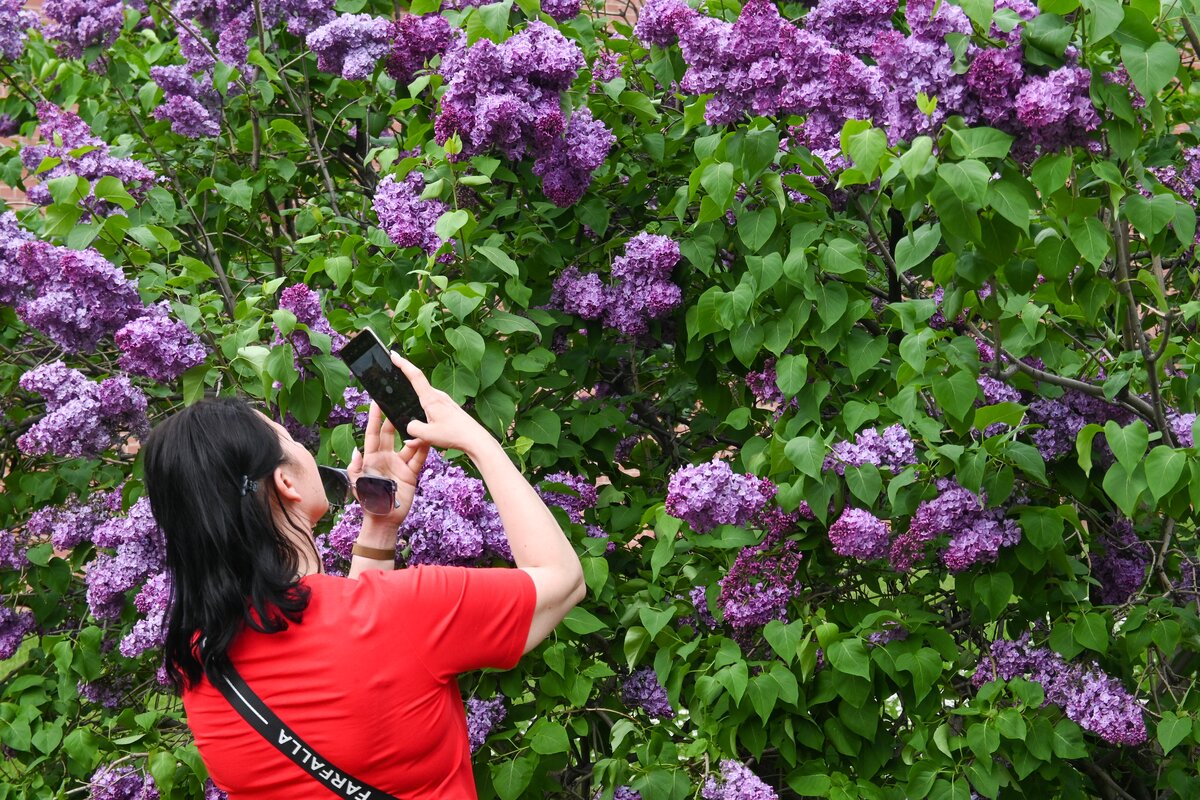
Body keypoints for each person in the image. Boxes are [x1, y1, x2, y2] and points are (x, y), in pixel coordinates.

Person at [142, 352, 586, 799]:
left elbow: (352, 657)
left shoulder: (200, 660)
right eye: (293, 441)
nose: (304, 449)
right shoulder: (408, 610)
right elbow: (562, 578)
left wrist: (380, 524)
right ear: (286, 483)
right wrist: (478, 441)